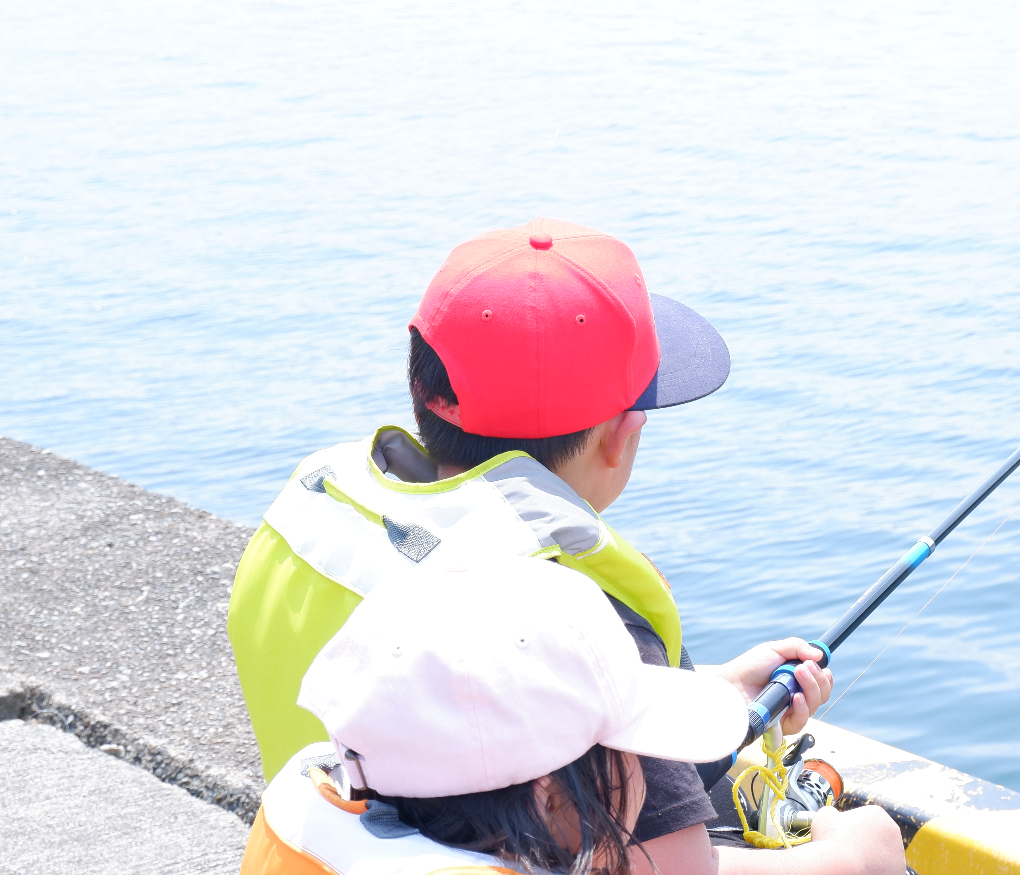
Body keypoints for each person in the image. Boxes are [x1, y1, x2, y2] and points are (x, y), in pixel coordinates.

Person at [229, 217, 899, 873]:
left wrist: (715, 693)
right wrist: (857, 855)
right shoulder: (554, 599)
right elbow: (672, 868)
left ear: (425, 390)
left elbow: (473, 717)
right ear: (623, 434)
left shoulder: (319, 512)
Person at [241, 554, 904, 875]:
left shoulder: (326, 812)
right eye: (635, 747)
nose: (650, 769)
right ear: (549, 795)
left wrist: (723, 688)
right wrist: (856, 857)